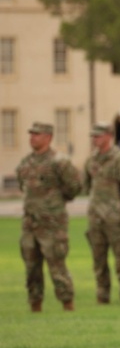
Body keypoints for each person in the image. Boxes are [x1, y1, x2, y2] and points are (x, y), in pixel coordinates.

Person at [17, 121, 82, 312]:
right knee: (31, 267)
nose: (32, 137)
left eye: (37, 134)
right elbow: (23, 186)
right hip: (30, 223)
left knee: (57, 266)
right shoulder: (26, 162)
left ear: (48, 137)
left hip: (52, 223)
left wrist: (54, 203)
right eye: (31, 134)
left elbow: (73, 187)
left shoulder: (59, 161)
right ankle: (35, 304)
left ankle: (67, 303)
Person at [82, 122, 120, 305]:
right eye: (93, 136)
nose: (95, 139)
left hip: (114, 217)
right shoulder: (91, 160)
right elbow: (86, 185)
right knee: (98, 259)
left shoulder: (119, 158)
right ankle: (102, 294)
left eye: (98, 136)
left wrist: (118, 204)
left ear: (108, 136)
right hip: (95, 217)